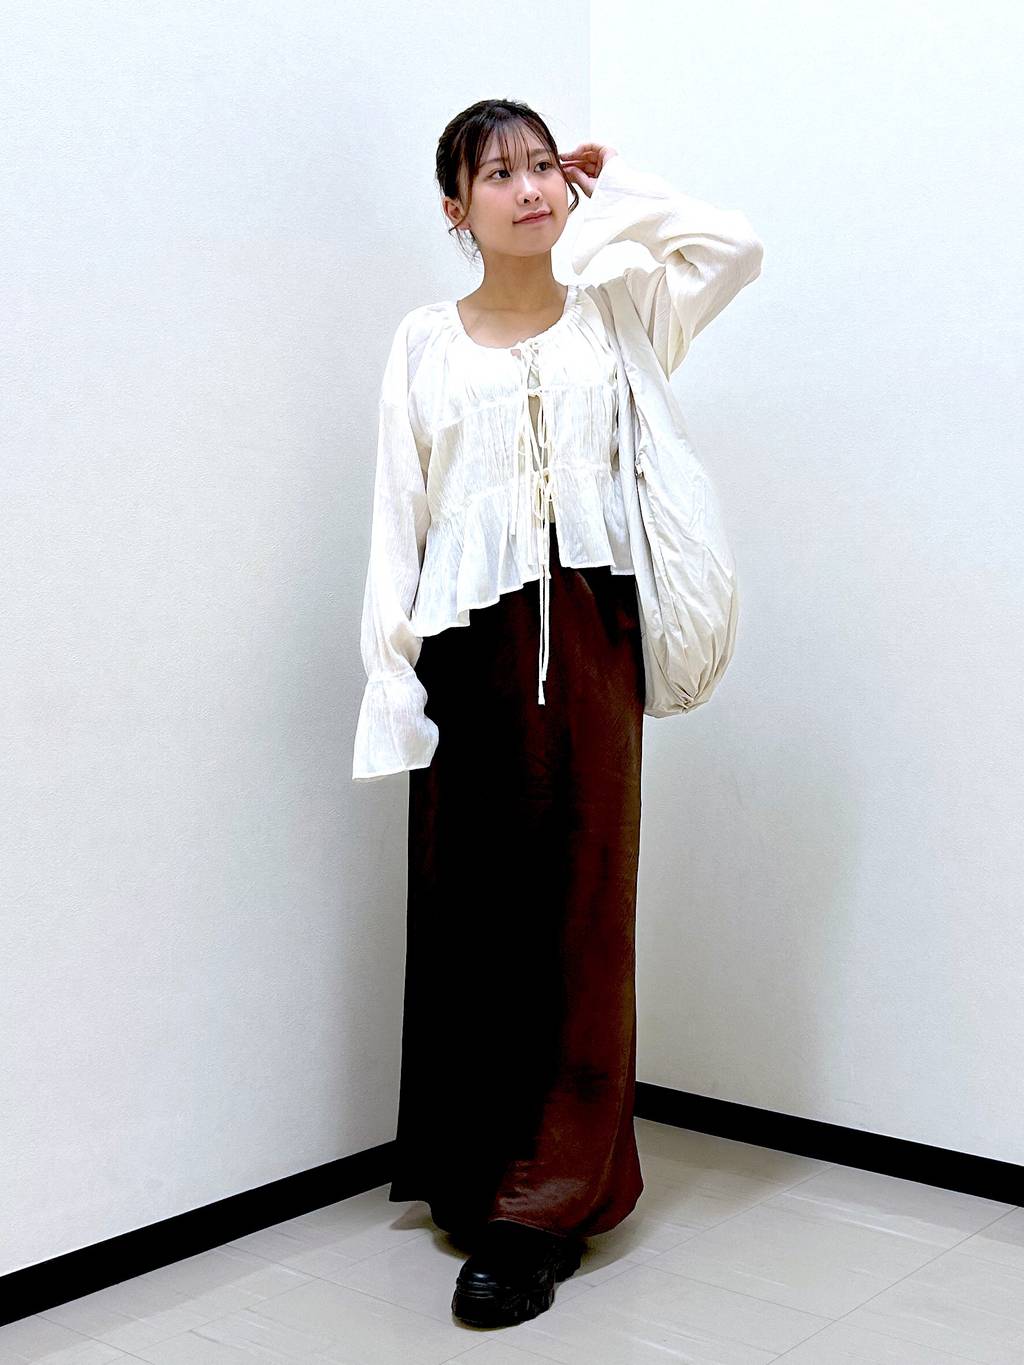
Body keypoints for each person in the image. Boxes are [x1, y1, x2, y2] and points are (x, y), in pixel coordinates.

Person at [352, 98, 763, 1328]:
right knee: (475, 911)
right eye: (498, 173)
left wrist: (616, 183)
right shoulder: (425, 342)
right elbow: (397, 519)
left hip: (590, 635)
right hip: (466, 647)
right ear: (455, 208)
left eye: (543, 167)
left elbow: (733, 248)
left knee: (584, 911)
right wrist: (392, 678)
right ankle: (475, 1175)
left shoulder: (617, 311)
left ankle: (546, 1207)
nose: (529, 188)